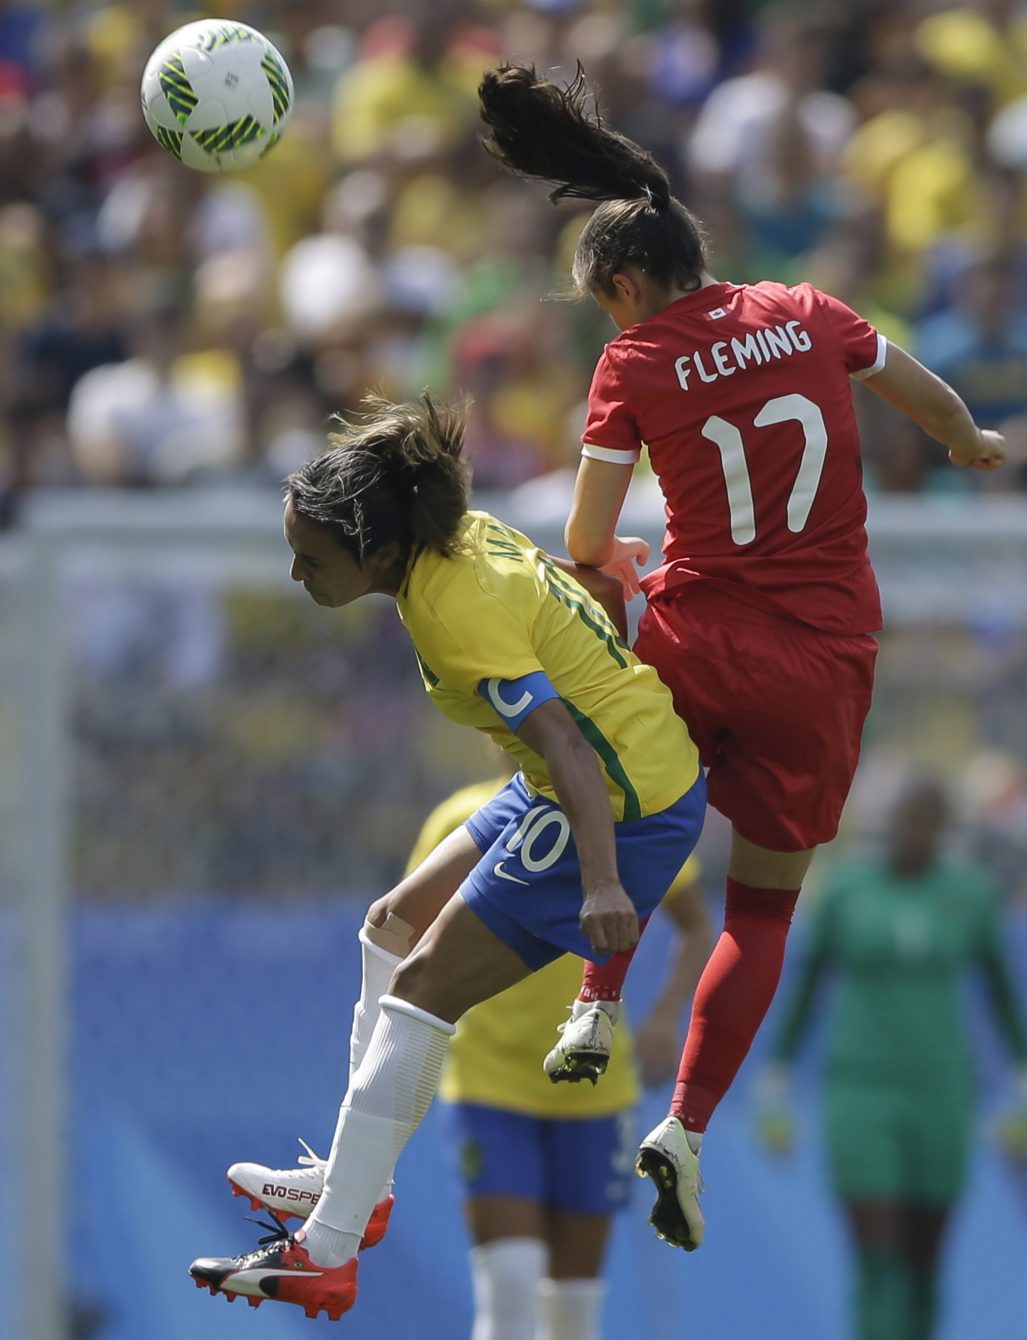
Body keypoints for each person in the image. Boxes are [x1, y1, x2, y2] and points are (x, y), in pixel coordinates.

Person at [474, 62, 1008, 1253]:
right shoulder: (809, 311)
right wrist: (972, 440)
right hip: (822, 660)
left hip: (696, 637)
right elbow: (919, 395)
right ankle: (685, 1127)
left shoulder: (634, 361)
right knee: (760, 912)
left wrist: (615, 565)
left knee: (632, 807)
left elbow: (580, 534)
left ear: (623, 282)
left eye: (604, 304)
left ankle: (594, 1003)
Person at [188, 391, 706, 1322]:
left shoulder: (445, 611)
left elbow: (567, 745)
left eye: (312, 558)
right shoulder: (467, 536)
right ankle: (356, 1187)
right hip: (586, 771)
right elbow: (563, 593)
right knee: (390, 923)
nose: (295, 573)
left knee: (419, 991)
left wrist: (599, 880)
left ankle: (328, 1249)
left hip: (618, 796)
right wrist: (617, 585)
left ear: (379, 553)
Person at [411, 771, 711, 1340]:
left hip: (593, 1090)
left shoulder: (632, 817)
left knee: (574, 1311)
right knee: (511, 1285)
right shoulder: (463, 818)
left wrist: (665, 1018)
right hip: (489, 1081)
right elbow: (411, 934)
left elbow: (697, 926)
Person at [756, 776, 1027, 1340]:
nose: (915, 833)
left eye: (928, 822)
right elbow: (807, 987)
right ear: (890, 825)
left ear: (944, 831)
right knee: (877, 1252)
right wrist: (776, 1080)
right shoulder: (850, 892)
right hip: (859, 1089)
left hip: (942, 1091)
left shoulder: (969, 895)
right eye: (907, 819)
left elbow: (1002, 996)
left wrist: (1021, 1086)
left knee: (924, 1262)